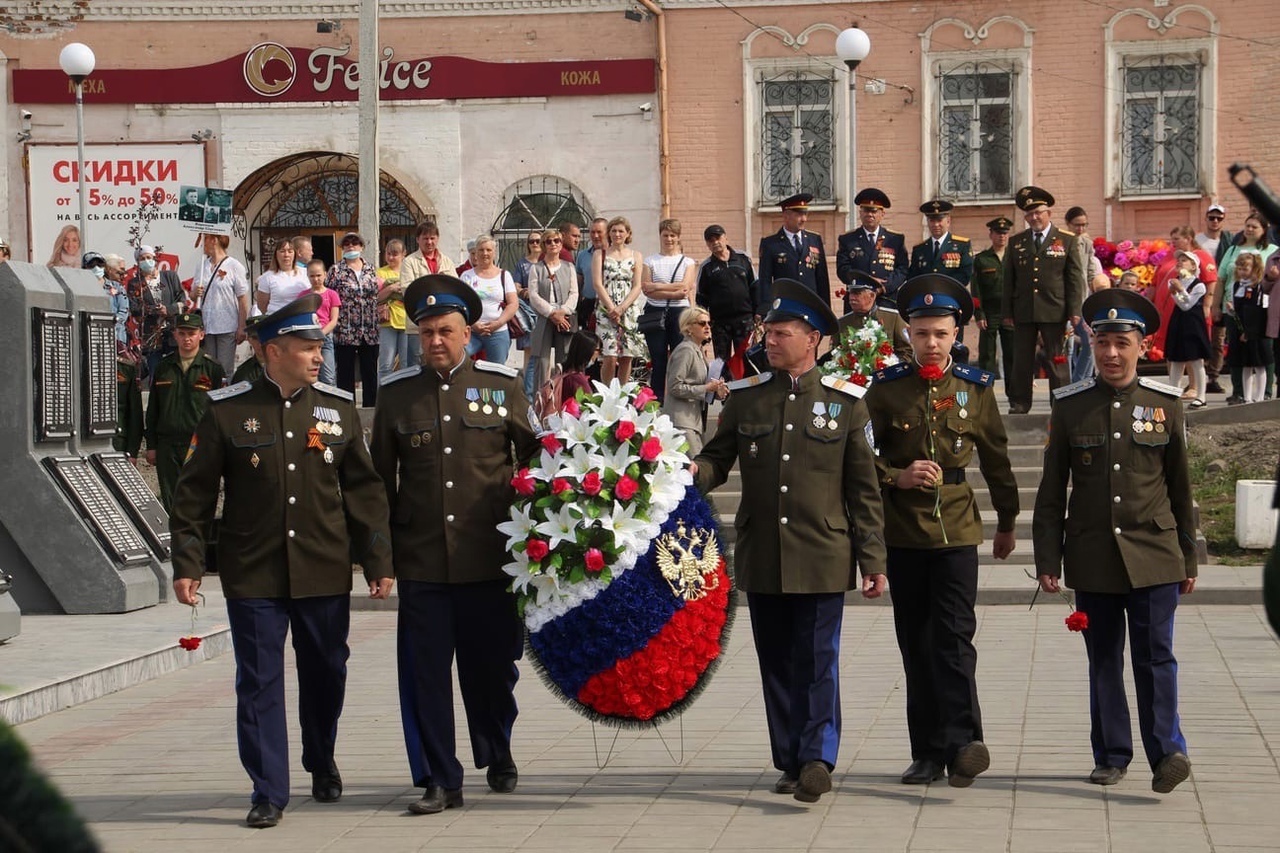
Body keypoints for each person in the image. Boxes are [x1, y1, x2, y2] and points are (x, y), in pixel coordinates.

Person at [169, 294, 394, 829]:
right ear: (273, 351)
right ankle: (268, 788)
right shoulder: (227, 408)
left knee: (326, 673)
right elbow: (195, 493)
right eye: (307, 347)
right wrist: (188, 563)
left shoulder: (337, 409)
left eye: (320, 346)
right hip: (255, 570)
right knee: (260, 680)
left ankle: (320, 756)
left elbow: (364, 491)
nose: (319, 355)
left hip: (322, 566)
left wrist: (378, 559)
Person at [692, 279, 887, 804]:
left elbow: (864, 489)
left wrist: (873, 558)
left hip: (824, 550)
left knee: (818, 658)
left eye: (780, 333)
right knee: (776, 661)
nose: (769, 341)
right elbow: (718, 459)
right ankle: (791, 758)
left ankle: (818, 757)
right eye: (768, 331)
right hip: (764, 553)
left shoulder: (846, 402)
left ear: (814, 338)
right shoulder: (747, 397)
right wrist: (686, 472)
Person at [369, 274, 539, 816]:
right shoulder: (396, 396)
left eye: (446, 331)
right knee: (426, 676)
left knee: (492, 671)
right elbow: (378, 484)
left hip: (490, 559)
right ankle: (440, 777)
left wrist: (535, 534)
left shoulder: (501, 386)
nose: (435, 341)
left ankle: (498, 746)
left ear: (468, 333)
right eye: (426, 332)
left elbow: (537, 460)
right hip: (423, 561)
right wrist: (380, 557)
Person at [1032, 287, 1196, 794]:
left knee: (1156, 658)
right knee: (1103, 661)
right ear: (1091, 344)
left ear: (1142, 347)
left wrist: (1189, 556)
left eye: (1122, 342)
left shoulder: (1165, 406)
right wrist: (1047, 558)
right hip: (1093, 555)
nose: (1110, 353)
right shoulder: (1072, 407)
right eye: (1102, 341)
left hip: (1155, 555)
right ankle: (1112, 754)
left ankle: (1167, 753)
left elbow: (1180, 486)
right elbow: (1051, 487)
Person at [864, 274, 1019, 789]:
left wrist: (1007, 521)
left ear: (957, 334)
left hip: (957, 529)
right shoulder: (886, 390)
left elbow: (996, 459)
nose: (931, 343)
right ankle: (927, 752)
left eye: (941, 334)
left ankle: (963, 744)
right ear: (906, 332)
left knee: (954, 638)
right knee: (916, 643)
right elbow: (861, 459)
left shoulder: (975, 390)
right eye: (921, 332)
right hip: (904, 532)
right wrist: (897, 476)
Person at [1001, 185, 1085, 413]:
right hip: (1024, 309)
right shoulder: (1017, 241)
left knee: (1056, 359)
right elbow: (1009, 279)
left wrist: (1075, 310)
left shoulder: (1066, 240)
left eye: (1038, 212)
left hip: (1054, 309)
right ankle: (1019, 403)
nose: (1034, 217)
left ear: (1048, 213)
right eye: (1029, 214)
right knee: (1022, 361)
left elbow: (1075, 278)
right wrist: (1007, 312)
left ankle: (1062, 403)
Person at [144, 311, 226, 510]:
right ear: (175, 335)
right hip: (167, 444)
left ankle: (199, 540)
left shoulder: (212, 368)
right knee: (171, 500)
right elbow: (153, 408)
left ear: (201, 334)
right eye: (182, 333)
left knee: (199, 499)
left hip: (199, 444)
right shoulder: (164, 367)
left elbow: (221, 411)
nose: (187, 338)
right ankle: (175, 540)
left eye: (191, 333)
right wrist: (151, 445)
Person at [1218, 214, 1276, 403]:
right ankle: (1239, 392)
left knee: (1263, 353)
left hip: (1262, 312)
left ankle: (1265, 393)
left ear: (1264, 230)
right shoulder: (1233, 249)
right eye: (1247, 225)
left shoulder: (1273, 251)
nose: (1249, 229)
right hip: (1234, 309)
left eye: (1254, 226)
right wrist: (1216, 305)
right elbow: (1221, 278)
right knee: (1237, 351)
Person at [640, 218, 698, 402]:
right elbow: (646, 289)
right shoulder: (650, 261)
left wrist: (657, 287)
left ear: (678, 237)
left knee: (680, 358)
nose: (669, 239)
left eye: (673, 235)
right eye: (665, 235)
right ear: (660, 236)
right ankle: (658, 400)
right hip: (655, 312)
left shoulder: (687, 261)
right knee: (658, 360)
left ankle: (678, 397)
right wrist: (671, 290)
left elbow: (685, 288)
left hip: (680, 313)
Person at [663, 306, 727, 456]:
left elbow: (698, 386)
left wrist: (717, 392)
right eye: (702, 323)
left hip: (693, 421)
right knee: (694, 471)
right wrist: (706, 388)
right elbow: (675, 387)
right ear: (688, 327)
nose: (707, 327)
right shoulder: (685, 350)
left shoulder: (697, 350)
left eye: (708, 323)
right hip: (681, 421)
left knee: (695, 471)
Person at [697, 224, 758, 381]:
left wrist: (759, 312)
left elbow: (755, 287)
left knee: (746, 359)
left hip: (745, 320)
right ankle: (726, 397)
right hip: (720, 323)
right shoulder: (706, 267)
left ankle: (746, 395)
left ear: (725, 238)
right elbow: (701, 299)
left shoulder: (743, 259)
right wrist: (704, 324)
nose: (715, 242)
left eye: (717, 238)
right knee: (721, 362)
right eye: (710, 241)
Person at [327, 232, 381, 407]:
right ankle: (346, 411)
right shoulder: (335, 270)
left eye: (355, 243)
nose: (351, 246)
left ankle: (370, 411)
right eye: (347, 243)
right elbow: (327, 296)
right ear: (342, 248)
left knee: (370, 374)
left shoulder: (371, 269)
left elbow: (376, 294)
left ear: (362, 247)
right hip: (345, 329)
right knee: (345, 374)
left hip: (369, 329)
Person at [593, 216, 647, 384]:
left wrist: (622, 308)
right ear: (609, 233)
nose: (617, 234)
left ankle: (623, 394)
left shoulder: (636, 255)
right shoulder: (600, 254)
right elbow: (597, 283)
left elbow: (637, 285)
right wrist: (611, 308)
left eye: (621, 231)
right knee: (610, 354)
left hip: (628, 309)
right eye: (614, 230)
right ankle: (607, 391)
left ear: (627, 234)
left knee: (626, 356)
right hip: (606, 309)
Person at [836, 187, 909, 309]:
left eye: (874, 211)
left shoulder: (895, 239)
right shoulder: (848, 240)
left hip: (886, 301)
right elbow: (843, 270)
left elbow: (902, 269)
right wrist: (867, 283)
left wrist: (883, 287)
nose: (869, 214)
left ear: (882, 214)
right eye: (866, 210)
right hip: (857, 303)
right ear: (860, 213)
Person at [1064, 207, 1114, 383]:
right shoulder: (1060, 242)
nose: (1081, 229)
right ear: (1068, 224)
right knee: (1067, 346)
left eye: (1084, 225)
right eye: (1077, 225)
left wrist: (1099, 289)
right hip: (1064, 302)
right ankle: (1068, 383)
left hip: (1084, 300)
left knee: (1090, 342)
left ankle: (1081, 380)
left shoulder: (1086, 243)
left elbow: (1092, 271)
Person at [401, 220, 459, 370]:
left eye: (432, 238)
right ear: (417, 240)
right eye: (425, 238)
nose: (429, 242)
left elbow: (455, 287)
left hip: (443, 319)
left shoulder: (447, 262)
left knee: (440, 362)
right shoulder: (409, 262)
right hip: (418, 320)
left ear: (437, 239)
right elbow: (407, 289)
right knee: (415, 364)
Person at [757, 193, 831, 306]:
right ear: (786, 215)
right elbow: (765, 281)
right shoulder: (770, 244)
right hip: (786, 305)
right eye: (799, 215)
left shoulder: (814, 239)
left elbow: (822, 279)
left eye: (805, 214)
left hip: (811, 305)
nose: (804, 219)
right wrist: (765, 309)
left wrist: (826, 309)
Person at [193, 233, 249, 377]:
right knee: (208, 369)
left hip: (227, 326)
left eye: (205, 240)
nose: (202, 245)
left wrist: (242, 326)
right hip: (206, 326)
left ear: (214, 240)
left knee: (224, 370)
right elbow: (194, 296)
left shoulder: (234, 266)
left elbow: (242, 298)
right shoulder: (202, 265)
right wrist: (195, 292)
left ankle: (225, 397)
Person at [526, 229, 578, 386]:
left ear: (561, 244)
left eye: (557, 241)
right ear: (544, 245)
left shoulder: (569, 267)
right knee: (542, 361)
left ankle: (563, 397)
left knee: (564, 360)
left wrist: (563, 312)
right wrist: (551, 313)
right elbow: (533, 295)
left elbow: (574, 293)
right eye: (549, 241)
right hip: (544, 317)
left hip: (565, 317)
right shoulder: (536, 269)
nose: (553, 244)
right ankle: (540, 400)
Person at [128, 244, 187, 380]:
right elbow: (135, 309)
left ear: (155, 259)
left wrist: (169, 309)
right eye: (142, 259)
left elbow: (182, 302)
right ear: (137, 263)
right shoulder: (135, 284)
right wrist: (155, 310)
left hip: (173, 334)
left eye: (149, 257)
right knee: (156, 376)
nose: (146, 261)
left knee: (177, 373)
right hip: (152, 337)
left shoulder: (170, 277)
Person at [461, 234, 520, 366]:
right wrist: (474, 323)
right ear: (475, 252)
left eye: (488, 250)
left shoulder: (505, 275)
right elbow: (462, 304)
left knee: (496, 373)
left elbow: (513, 303)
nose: (485, 253)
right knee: (460, 363)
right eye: (481, 250)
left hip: (498, 331)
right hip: (472, 331)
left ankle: (492, 389)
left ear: (494, 252)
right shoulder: (467, 276)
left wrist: (498, 323)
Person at [1164, 251, 1211, 408]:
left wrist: (1180, 291)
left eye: (1184, 260)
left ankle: (1201, 396)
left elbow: (1187, 304)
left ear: (1193, 266)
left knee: (1197, 360)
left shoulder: (1199, 285)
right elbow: (1179, 304)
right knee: (1176, 359)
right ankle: (1173, 394)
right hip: (1178, 322)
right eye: (1179, 260)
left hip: (1193, 324)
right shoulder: (1174, 282)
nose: (1180, 262)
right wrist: (1176, 291)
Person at [972, 217, 1015, 389]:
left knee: (1011, 354)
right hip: (989, 312)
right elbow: (976, 290)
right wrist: (979, 313)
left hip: (1010, 312)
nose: (1002, 237)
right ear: (991, 235)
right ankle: (985, 392)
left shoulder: (1014, 257)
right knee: (987, 354)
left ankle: (1014, 396)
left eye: (1005, 233)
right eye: (998, 233)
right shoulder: (982, 259)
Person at [835, 270, 911, 361]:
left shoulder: (893, 318)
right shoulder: (842, 323)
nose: (851, 298)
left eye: (857, 293)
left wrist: (892, 368)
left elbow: (907, 351)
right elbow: (835, 353)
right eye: (851, 293)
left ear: (872, 296)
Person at [1197, 204, 1233, 393]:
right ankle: (1198, 377)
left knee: (1218, 339)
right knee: (1201, 337)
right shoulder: (1198, 241)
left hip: (1220, 294)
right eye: (1212, 218)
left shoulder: (1229, 242)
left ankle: (1213, 376)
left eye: (1219, 218)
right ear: (1206, 218)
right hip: (1200, 295)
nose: (1215, 221)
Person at [1229, 253, 1271, 403]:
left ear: (1255, 268)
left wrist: (1249, 332)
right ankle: (1247, 398)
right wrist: (1232, 311)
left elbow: (1259, 311)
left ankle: (1259, 397)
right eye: (1239, 268)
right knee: (1245, 365)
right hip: (1241, 329)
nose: (1242, 271)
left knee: (1259, 365)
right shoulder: (1237, 285)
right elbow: (1238, 309)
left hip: (1255, 330)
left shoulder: (1259, 287)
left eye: (1245, 268)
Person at [376, 239, 410, 382]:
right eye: (388, 254)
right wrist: (390, 288)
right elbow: (376, 298)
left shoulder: (409, 271)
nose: (390, 257)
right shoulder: (380, 272)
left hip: (407, 322)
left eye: (395, 254)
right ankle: (383, 400)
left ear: (404, 254)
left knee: (406, 365)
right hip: (388, 322)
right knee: (386, 364)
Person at [308, 259, 341, 385]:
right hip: (309, 337)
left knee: (328, 375)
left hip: (325, 337)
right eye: (312, 276)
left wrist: (321, 333)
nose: (316, 279)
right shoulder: (303, 295)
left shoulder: (332, 294)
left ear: (325, 274)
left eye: (318, 275)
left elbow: (333, 320)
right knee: (310, 375)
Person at [256, 239, 309, 315]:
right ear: (276, 254)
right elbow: (262, 306)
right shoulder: (267, 277)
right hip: (278, 321)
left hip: (302, 319)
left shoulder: (306, 273)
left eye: (290, 251)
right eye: (282, 251)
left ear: (294, 254)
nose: (286, 255)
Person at [91, 251, 131, 346]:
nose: (122, 274)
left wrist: (107, 326)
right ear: (109, 269)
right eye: (119, 271)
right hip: (93, 337)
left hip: (115, 337)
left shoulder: (118, 288)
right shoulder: (87, 287)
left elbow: (123, 312)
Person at [576, 218, 607, 330]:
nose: (595, 236)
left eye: (599, 232)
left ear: (607, 232)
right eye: (592, 232)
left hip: (610, 305)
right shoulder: (582, 255)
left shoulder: (615, 255)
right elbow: (579, 282)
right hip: (589, 306)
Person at [114, 350, 144, 461]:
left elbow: (135, 413)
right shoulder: (76, 365)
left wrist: (132, 452)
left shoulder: (125, 368)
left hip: (117, 441)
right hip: (81, 442)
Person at [558, 330, 600, 407]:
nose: (599, 354)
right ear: (587, 351)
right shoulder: (577, 379)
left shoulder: (565, 372)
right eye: (597, 350)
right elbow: (590, 406)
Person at [231, 316, 266, 385]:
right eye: (255, 338)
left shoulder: (286, 366)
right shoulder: (243, 372)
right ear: (249, 340)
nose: (260, 342)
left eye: (264, 336)